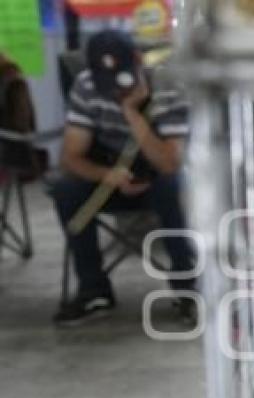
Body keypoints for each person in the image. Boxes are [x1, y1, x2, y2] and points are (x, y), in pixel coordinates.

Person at [52, 29, 195, 326]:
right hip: (110, 174)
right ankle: (94, 290)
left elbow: (170, 162)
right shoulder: (86, 86)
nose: (115, 90)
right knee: (66, 190)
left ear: (137, 60)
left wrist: (131, 112)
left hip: (158, 173)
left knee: (174, 187)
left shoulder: (168, 87)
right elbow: (70, 156)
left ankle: (188, 288)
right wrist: (109, 176)